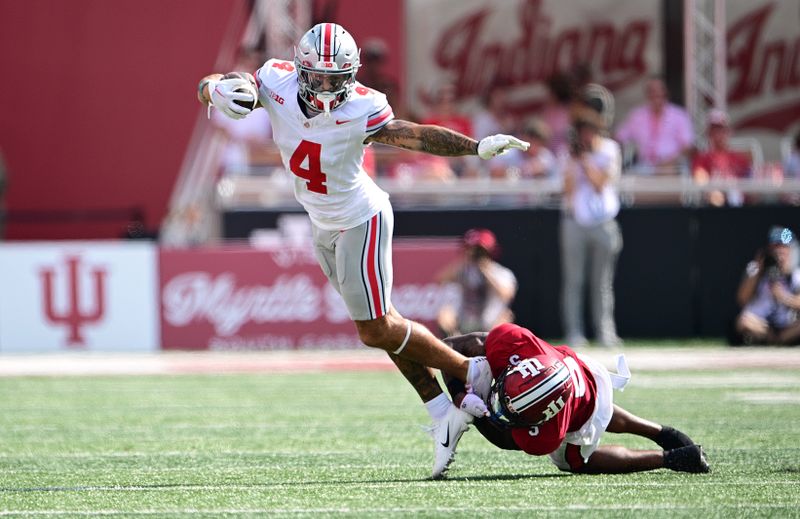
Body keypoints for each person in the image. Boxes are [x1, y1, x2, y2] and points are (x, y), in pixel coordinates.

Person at [196, 23, 529, 478]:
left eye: (339, 78)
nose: (330, 87)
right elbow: (223, 86)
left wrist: (475, 147)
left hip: (360, 219)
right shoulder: (274, 80)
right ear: (300, 70)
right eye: (322, 77)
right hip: (322, 223)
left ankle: (470, 371)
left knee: (375, 330)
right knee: (383, 327)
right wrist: (212, 88)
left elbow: (413, 135)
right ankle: (441, 414)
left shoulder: (362, 106)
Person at [441, 323, 710, 477]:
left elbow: (503, 438)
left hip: (578, 413)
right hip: (589, 376)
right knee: (594, 407)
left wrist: (475, 415)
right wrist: (460, 395)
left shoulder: (546, 432)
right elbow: (450, 346)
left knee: (576, 462)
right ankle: (662, 432)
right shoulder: (514, 343)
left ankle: (669, 458)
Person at [559, 107, 623, 348]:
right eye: (582, 132)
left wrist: (585, 160)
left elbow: (599, 183)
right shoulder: (569, 155)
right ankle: (574, 332)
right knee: (573, 281)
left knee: (602, 282)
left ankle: (605, 332)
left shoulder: (609, 150)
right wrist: (574, 162)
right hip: (574, 222)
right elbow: (567, 190)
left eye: (590, 131)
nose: (586, 137)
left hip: (603, 223)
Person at [436, 228, 517, 337]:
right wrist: (465, 260)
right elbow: (440, 280)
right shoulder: (463, 270)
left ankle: (488, 341)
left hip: (489, 323)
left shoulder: (500, 272)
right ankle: (454, 339)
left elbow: (506, 295)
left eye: (480, 251)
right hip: (464, 322)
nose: (476, 254)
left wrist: (485, 270)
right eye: (470, 249)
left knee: (506, 316)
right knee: (444, 313)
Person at [734, 226, 800, 346]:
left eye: (784, 248)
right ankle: (773, 340)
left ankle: (779, 340)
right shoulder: (754, 269)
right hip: (762, 325)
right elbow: (742, 299)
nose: (779, 252)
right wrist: (759, 271)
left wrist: (783, 297)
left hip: (787, 326)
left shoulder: (797, 273)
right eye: (775, 247)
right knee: (744, 321)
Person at [615, 77, 694, 175]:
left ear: (665, 92)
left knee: (668, 174)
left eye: (659, 90)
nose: (655, 94)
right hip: (645, 166)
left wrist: (669, 162)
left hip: (673, 165)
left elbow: (687, 147)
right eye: (651, 91)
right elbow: (619, 138)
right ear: (647, 94)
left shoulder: (679, 115)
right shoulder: (637, 115)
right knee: (630, 178)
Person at [692, 109, 752, 207]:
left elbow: (750, 181)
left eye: (721, 130)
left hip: (740, 202)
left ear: (728, 132)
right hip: (715, 202)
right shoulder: (702, 157)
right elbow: (701, 180)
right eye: (714, 130)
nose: (718, 134)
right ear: (709, 133)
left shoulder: (739, 157)